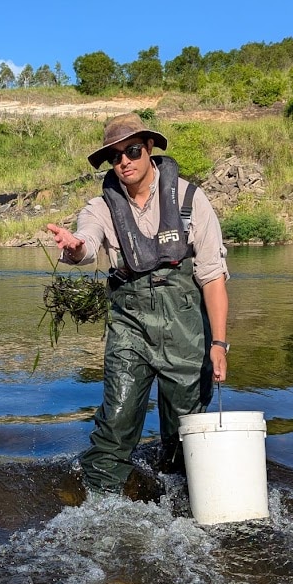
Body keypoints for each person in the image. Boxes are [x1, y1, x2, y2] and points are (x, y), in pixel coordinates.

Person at [46, 113, 229, 496]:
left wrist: (219, 345)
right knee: (115, 422)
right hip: (130, 326)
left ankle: (182, 501)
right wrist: (75, 247)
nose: (124, 162)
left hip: (187, 330)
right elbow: (86, 243)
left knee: (186, 431)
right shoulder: (100, 207)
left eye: (131, 151)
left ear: (149, 149)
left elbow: (212, 277)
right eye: (115, 157)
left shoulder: (192, 200)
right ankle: (99, 508)